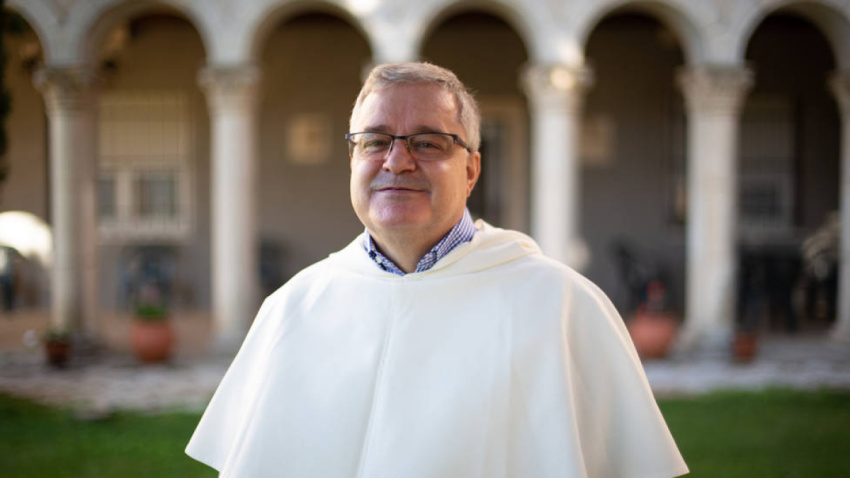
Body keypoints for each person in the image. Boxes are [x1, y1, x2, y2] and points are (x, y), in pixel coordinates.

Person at [186, 62, 688, 478]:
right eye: (374, 141)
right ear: (353, 159)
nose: (397, 161)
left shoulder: (563, 307)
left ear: (470, 170)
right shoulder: (293, 308)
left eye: (427, 143)